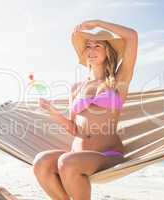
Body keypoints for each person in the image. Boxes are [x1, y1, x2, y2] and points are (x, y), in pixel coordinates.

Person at [32, 19, 138, 200]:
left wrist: (97, 23)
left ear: (108, 52)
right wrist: (52, 112)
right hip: (77, 155)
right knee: (41, 162)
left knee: (66, 162)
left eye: (98, 45)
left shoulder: (118, 81)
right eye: (88, 46)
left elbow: (132, 36)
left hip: (107, 155)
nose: (91, 50)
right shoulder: (76, 88)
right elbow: (74, 128)